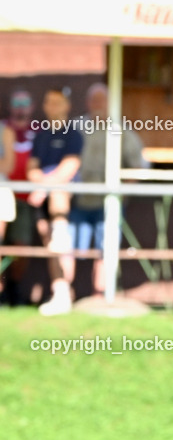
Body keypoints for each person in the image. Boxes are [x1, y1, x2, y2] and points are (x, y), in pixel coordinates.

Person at [69, 83, 148, 299]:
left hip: (109, 202)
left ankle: (99, 295)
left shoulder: (121, 129)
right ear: (87, 103)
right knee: (70, 248)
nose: (97, 105)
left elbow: (139, 165)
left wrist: (123, 193)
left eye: (102, 100)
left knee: (107, 248)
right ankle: (66, 295)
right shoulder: (75, 127)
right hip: (78, 200)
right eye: (94, 100)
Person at [26, 87, 82, 315]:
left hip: (65, 199)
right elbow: (32, 168)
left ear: (67, 106)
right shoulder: (41, 136)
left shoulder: (73, 134)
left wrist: (45, 186)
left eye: (58, 102)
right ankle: (59, 292)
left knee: (61, 243)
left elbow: (70, 166)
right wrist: (41, 185)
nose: (53, 106)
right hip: (43, 196)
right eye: (49, 102)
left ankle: (64, 293)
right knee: (51, 244)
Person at [0, 91, 35, 305]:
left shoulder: (37, 130)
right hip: (6, 192)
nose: (20, 108)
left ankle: (14, 289)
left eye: (25, 103)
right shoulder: (6, 127)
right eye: (17, 103)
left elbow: (9, 164)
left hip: (26, 196)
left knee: (20, 245)